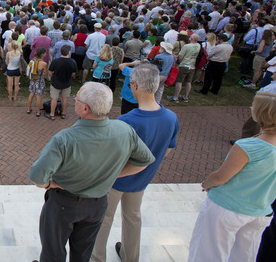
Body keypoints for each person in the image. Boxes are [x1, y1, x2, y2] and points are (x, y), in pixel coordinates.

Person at [30, 82, 155, 262]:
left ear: (85, 108)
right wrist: (111, 174)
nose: (75, 101)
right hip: (97, 205)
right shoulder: (124, 131)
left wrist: (50, 184)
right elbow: (145, 161)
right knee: (83, 253)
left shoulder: (64, 139)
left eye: (77, 99)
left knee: (53, 252)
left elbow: (37, 177)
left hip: (63, 203)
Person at [91, 63, 179, 262]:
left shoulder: (127, 121)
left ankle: (97, 258)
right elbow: (168, 149)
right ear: (156, 86)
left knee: (104, 220)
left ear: (135, 86)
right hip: (142, 181)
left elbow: (111, 156)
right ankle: (131, 257)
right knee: (133, 218)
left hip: (115, 181)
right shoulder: (171, 118)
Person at [187, 91, 276, 262]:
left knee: (208, 253)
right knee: (245, 255)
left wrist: (207, 183)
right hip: (260, 212)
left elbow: (221, 176)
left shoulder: (248, 146)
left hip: (228, 208)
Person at [45, 45, 77, 120]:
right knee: (65, 98)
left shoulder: (55, 61)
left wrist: (53, 76)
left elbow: (50, 72)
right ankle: (63, 113)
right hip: (67, 83)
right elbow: (73, 73)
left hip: (56, 82)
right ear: (69, 52)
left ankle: (52, 114)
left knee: (54, 99)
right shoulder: (72, 62)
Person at [167, 33, 200, 103]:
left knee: (179, 81)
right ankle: (185, 97)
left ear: (191, 38)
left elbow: (181, 57)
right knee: (188, 82)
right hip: (192, 66)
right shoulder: (198, 45)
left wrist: (178, 62)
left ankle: (175, 97)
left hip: (184, 65)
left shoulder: (186, 46)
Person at [26, 47, 47, 117]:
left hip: (32, 80)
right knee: (38, 97)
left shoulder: (33, 60)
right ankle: (38, 112)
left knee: (31, 94)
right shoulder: (44, 63)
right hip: (39, 81)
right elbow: (45, 74)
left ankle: (29, 109)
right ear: (43, 54)